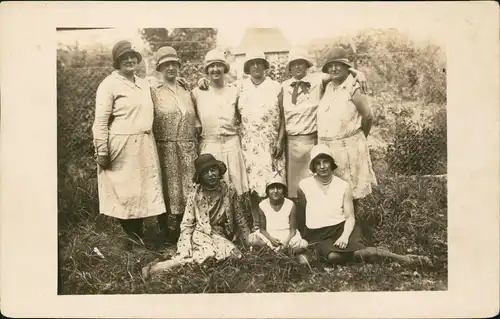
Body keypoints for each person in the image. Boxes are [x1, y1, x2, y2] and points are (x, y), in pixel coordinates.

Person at [296, 144, 432, 266]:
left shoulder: (343, 186)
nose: (322, 166)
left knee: (347, 253)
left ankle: (403, 259)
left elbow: (350, 217)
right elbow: (302, 216)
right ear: (313, 166)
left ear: (331, 164)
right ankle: (376, 253)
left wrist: (344, 236)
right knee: (333, 257)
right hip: (318, 234)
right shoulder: (304, 185)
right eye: (318, 163)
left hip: (341, 228)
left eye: (325, 161)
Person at [92, 40, 167, 249]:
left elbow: (163, 91)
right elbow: (100, 121)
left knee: (141, 191)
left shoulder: (143, 83)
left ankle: (140, 236)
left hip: (144, 143)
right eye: (124, 57)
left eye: (132, 56)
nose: (129, 60)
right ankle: (133, 238)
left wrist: (183, 84)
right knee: (125, 192)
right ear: (117, 61)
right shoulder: (109, 85)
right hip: (121, 144)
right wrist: (102, 150)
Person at [141, 154, 251, 279]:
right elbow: (187, 223)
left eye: (213, 170)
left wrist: (248, 240)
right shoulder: (195, 194)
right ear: (200, 177)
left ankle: (171, 264)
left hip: (219, 233)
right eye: (206, 172)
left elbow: (239, 218)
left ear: (218, 171)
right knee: (206, 254)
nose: (211, 174)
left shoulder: (229, 190)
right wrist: (184, 246)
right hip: (201, 233)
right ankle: (158, 268)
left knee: (232, 254)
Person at [281, 47, 369, 201]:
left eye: (301, 63)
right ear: (289, 67)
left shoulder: (317, 80)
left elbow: (339, 73)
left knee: (318, 187)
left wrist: (358, 73)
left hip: (313, 142)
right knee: (296, 190)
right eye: (293, 64)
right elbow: (281, 115)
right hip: (292, 144)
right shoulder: (284, 86)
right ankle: (302, 223)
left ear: (307, 65)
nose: (297, 67)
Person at [317, 47, 377, 213]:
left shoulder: (353, 86)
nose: (334, 69)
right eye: (331, 66)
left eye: (339, 65)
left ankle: (354, 230)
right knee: (333, 193)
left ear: (346, 67)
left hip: (349, 148)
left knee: (350, 192)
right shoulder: (328, 87)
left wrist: (359, 137)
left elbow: (368, 116)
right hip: (329, 149)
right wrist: (357, 71)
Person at [151, 46, 201, 243]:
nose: (170, 67)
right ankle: (165, 230)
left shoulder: (185, 89)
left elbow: (194, 115)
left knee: (188, 188)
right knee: (167, 188)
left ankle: (186, 228)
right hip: (166, 146)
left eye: (174, 63)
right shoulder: (153, 91)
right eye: (166, 64)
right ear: (160, 67)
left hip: (188, 145)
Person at [237, 51, 286, 232]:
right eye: (252, 63)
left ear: (265, 66)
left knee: (273, 183)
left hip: (272, 143)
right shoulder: (240, 87)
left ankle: (275, 224)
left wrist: (280, 139)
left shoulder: (276, 87)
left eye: (259, 62)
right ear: (248, 67)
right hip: (249, 144)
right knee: (253, 186)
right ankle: (257, 225)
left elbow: (283, 116)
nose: (256, 66)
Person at [190, 49, 250, 199]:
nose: (215, 69)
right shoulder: (197, 93)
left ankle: (237, 220)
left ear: (225, 68)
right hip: (210, 145)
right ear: (206, 70)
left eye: (219, 65)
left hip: (231, 144)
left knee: (235, 188)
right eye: (211, 66)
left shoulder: (234, 91)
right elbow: (193, 116)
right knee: (212, 188)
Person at [248, 175, 308, 254]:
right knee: (252, 239)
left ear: (283, 190)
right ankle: (270, 251)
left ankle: (285, 251)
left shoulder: (290, 204)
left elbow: (293, 229)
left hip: (287, 236)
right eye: (272, 188)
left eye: (279, 188)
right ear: (267, 191)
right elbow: (262, 229)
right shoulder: (262, 205)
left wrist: (285, 243)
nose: (275, 191)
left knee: (304, 244)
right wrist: (271, 239)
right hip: (269, 236)